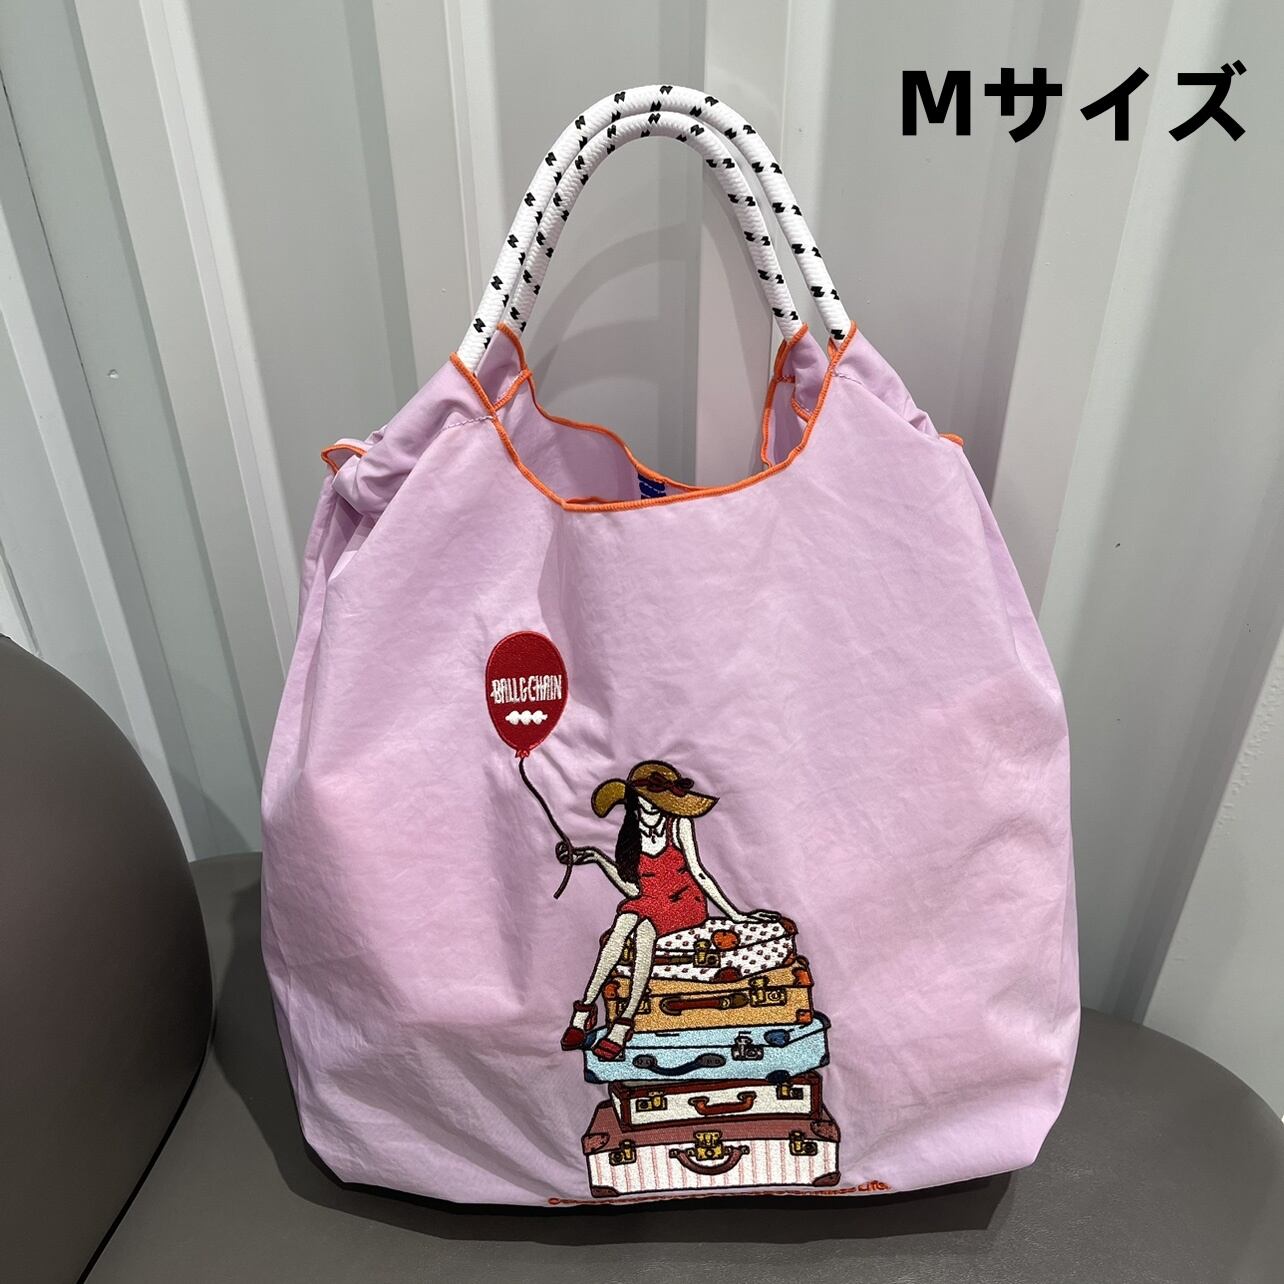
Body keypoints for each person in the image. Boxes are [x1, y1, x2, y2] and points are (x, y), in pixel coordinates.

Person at [558, 759, 779, 1060]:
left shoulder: (679, 824)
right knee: (621, 927)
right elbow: (633, 890)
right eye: (645, 798)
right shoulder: (631, 831)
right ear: (634, 799)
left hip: (684, 902)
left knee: (644, 933)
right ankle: (584, 1009)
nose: (651, 805)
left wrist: (736, 915)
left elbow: (699, 873)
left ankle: (625, 1020)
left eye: (658, 799)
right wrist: (597, 858)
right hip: (649, 899)